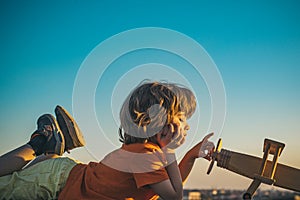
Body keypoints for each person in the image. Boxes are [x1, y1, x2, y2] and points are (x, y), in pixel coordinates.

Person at [0, 81, 214, 200]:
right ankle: (40, 144)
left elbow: (168, 185)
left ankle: (49, 147)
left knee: (28, 171)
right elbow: (174, 196)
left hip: (65, 175)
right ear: (160, 124)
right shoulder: (145, 157)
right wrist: (171, 152)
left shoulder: (147, 153)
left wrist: (191, 156)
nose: (186, 126)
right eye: (181, 119)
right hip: (55, 182)